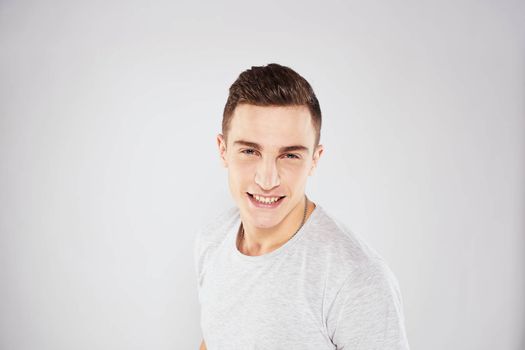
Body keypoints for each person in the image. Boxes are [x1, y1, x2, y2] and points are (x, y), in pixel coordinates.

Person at [194, 63, 410, 349]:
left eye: (290, 156)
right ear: (223, 150)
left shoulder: (357, 279)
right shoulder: (212, 240)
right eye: (249, 151)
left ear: (315, 159)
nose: (267, 179)